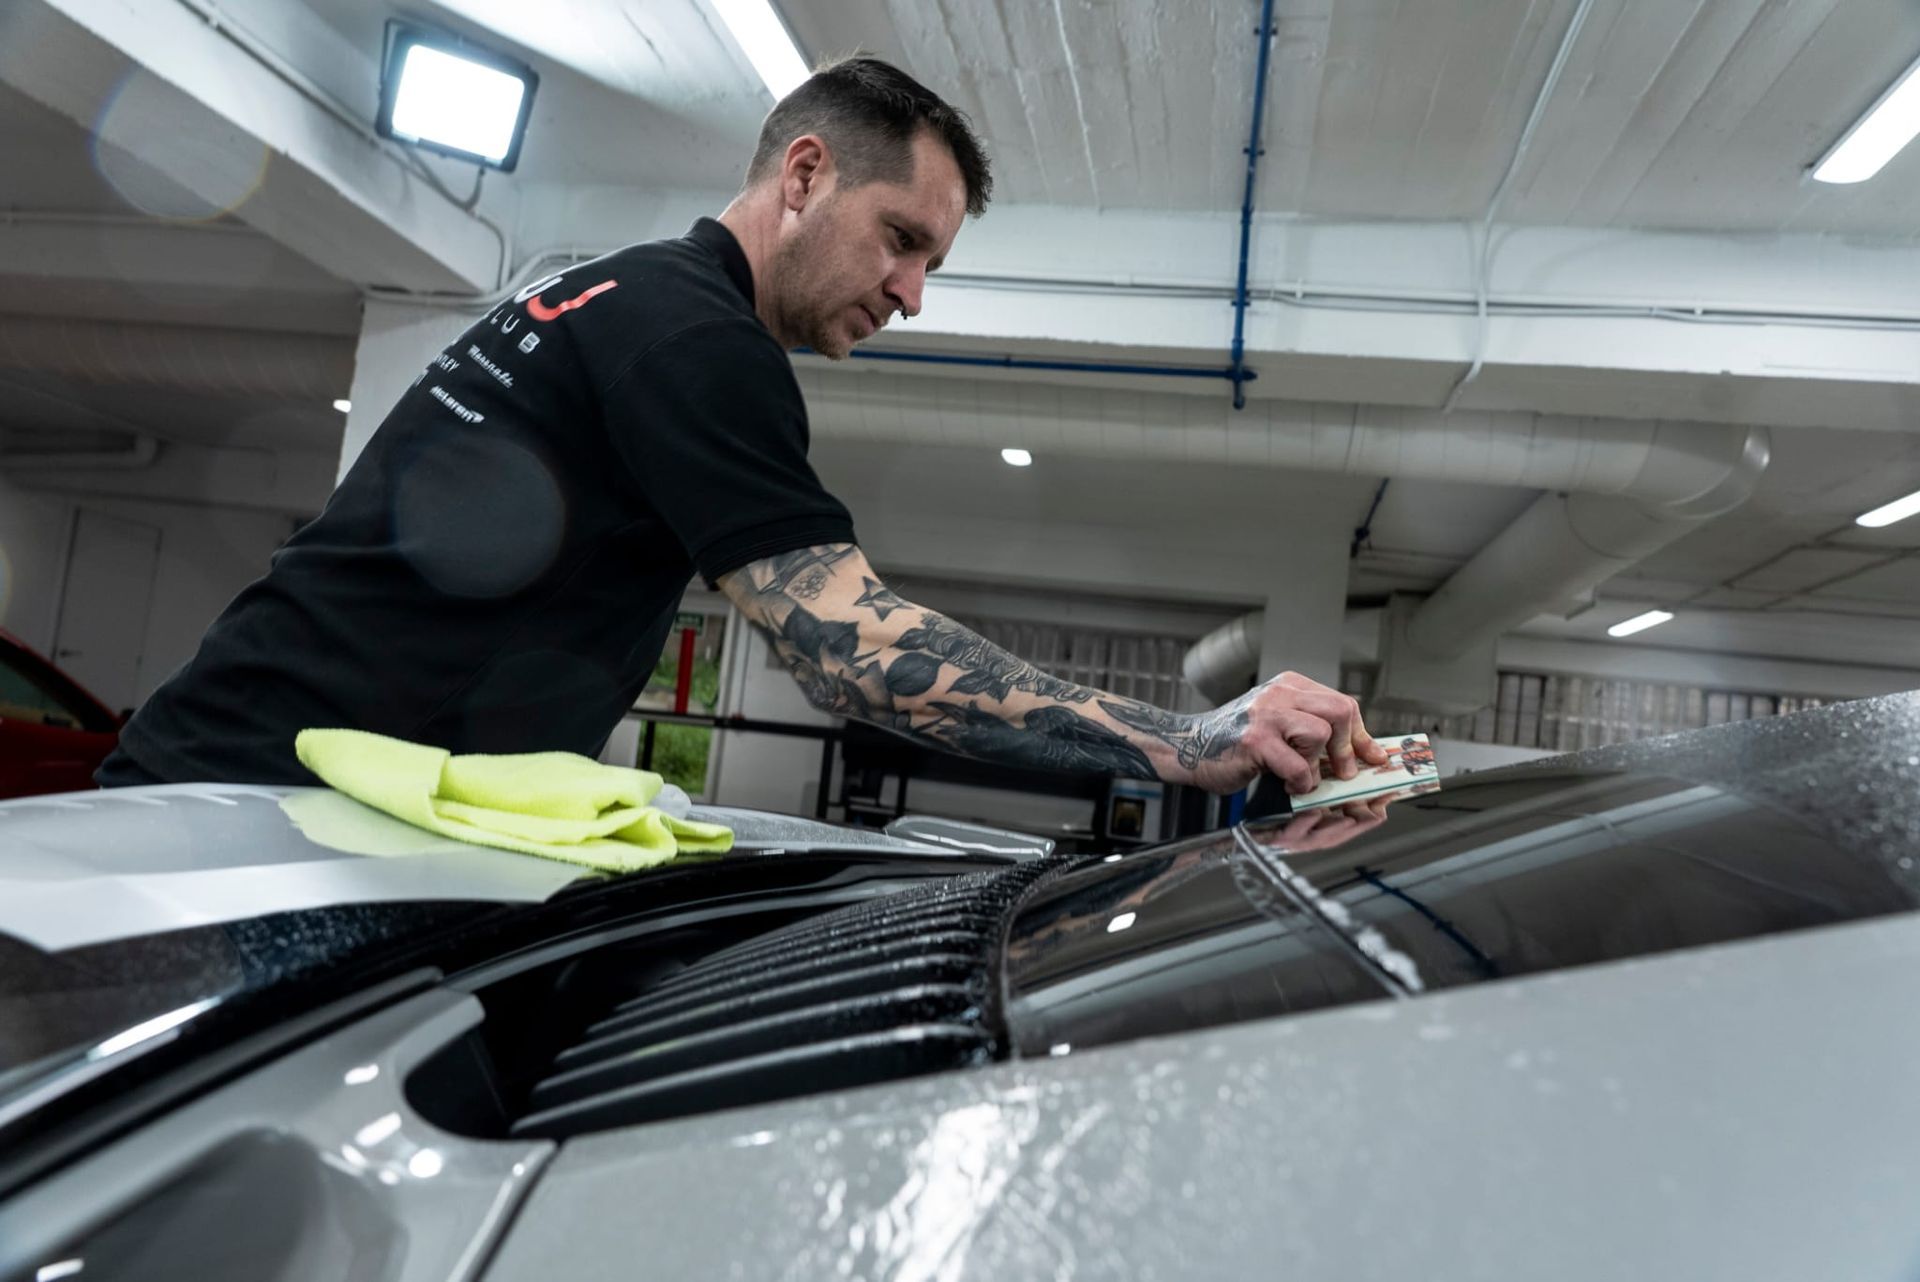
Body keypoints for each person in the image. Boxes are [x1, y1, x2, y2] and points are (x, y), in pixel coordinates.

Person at [96, 55, 1385, 799]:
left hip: (258, 780)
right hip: (250, 801)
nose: (911, 294)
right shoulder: (693, 336)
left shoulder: (606, 287)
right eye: (902, 242)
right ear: (806, 174)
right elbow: (860, 655)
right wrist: (1189, 738)